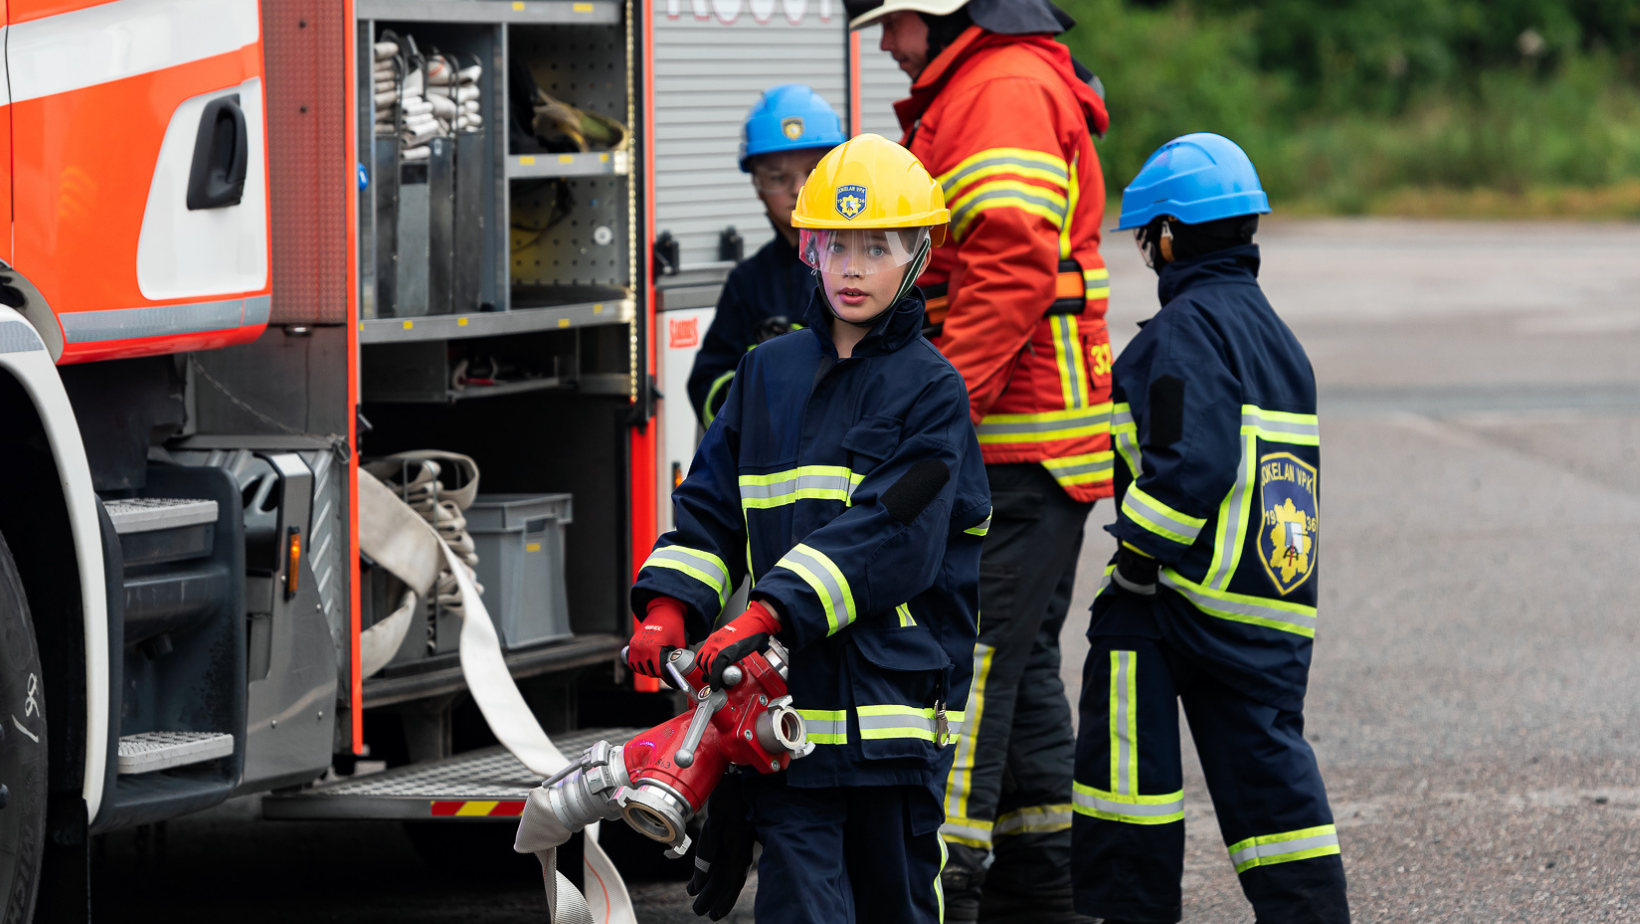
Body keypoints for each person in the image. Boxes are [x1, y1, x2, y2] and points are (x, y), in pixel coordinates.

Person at [627, 134, 990, 924]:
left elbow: (889, 539)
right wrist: (670, 606)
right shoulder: (767, 374)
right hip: (784, 735)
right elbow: (714, 509)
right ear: (808, 250)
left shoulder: (933, 392)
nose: (852, 268)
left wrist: (766, 613)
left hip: (890, 732)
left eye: (876, 248)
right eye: (834, 246)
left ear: (918, 255)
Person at [845, 1, 1112, 920]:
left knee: (976, 663)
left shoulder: (998, 88)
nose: (883, 42)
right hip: (1032, 439)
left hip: (1015, 440)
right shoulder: (985, 84)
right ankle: (1041, 890)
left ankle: (938, 889)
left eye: (892, 20)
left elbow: (1009, 266)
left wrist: (933, 411)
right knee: (1026, 662)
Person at [1072, 133, 1350, 924]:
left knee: (1125, 754)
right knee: (1271, 780)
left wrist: (1136, 561)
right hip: (1270, 603)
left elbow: (1192, 464)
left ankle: (1126, 909)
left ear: (1166, 237)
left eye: (1147, 238)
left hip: (1182, 595)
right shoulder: (1277, 337)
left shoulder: (1183, 331)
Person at [686, 84, 846, 427]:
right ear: (757, 186)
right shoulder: (748, 282)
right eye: (778, 178)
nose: (797, 188)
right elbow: (706, 382)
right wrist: (757, 391)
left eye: (813, 172)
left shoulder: (867, 265)